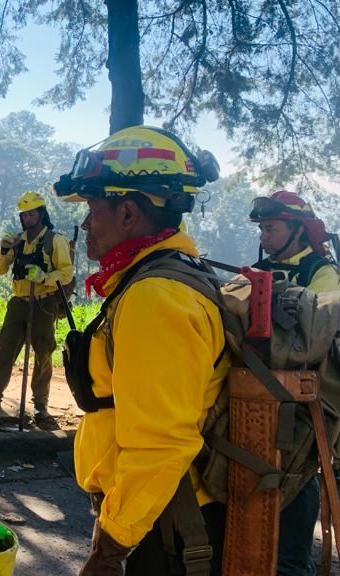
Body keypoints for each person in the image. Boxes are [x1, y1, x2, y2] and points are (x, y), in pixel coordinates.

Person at [53, 125, 228, 575]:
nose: (86, 222)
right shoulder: (164, 277)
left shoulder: (155, 298)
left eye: (93, 208)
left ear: (128, 213)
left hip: (166, 530)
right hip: (153, 517)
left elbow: (161, 444)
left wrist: (109, 552)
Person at [249, 190, 340, 576]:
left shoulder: (323, 274)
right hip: (260, 403)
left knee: (297, 494)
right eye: (261, 229)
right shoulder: (260, 268)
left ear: (299, 230)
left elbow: (317, 340)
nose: (263, 237)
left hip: (307, 411)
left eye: (271, 228)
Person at [0, 191, 74, 420]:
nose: (27, 218)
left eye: (32, 213)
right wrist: (3, 249)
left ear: (41, 214)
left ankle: (40, 404)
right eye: (24, 214)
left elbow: (67, 273)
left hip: (43, 303)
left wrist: (44, 277)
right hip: (18, 303)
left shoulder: (55, 240)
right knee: (5, 349)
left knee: (43, 352)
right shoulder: (17, 240)